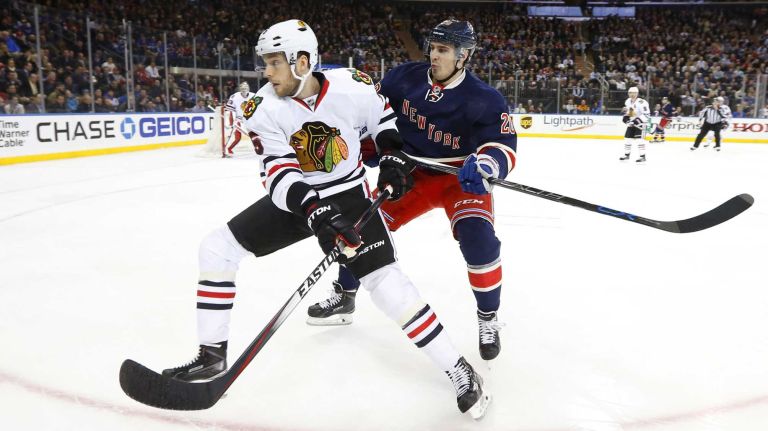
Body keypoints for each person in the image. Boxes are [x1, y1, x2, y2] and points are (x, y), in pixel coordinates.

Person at [161, 19, 490, 419]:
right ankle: (212, 356)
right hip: (299, 200)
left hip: (350, 197)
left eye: (273, 62)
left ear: (302, 62)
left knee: (386, 284)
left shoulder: (352, 84)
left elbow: (382, 117)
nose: (266, 72)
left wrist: (390, 158)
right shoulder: (261, 107)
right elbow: (280, 175)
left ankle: (460, 370)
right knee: (217, 249)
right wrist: (316, 213)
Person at [306, 19, 517, 363]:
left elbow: (502, 145)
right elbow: (376, 116)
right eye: (433, 48)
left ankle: (488, 317)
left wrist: (485, 166)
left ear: (464, 55)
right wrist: (372, 148)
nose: (434, 55)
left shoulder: (485, 99)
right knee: (361, 228)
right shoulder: (403, 78)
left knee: (479, 240)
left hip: (457, 178)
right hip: (408, 173)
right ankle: (345, 293)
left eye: (444, 50)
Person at [223, 81, 257, 156]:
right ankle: (228, 149)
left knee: (255, 135)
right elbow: (230, 110)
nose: (244, 90)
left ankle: (258, 147)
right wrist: (231, 122)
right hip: (238, 120)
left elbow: (258, 109)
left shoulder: (254, 96)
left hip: (250, 120)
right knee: (237, 137)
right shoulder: (234, 96)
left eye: (245, 88)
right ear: (240, 89)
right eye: (243, 88)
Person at [619, 87, 650, 163]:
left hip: (641, 124)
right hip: (632, 123)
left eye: (634, 93)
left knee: (639, 140)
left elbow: (647, 115)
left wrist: (636, 121)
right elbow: (631, 112)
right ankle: (627, 155)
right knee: (627, 139)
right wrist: (626, 119)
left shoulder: (642, 102)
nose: (632, 94)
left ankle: (642, 156)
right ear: (628, 93)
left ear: (637, 93)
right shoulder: (627, 102)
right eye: (630, 93)